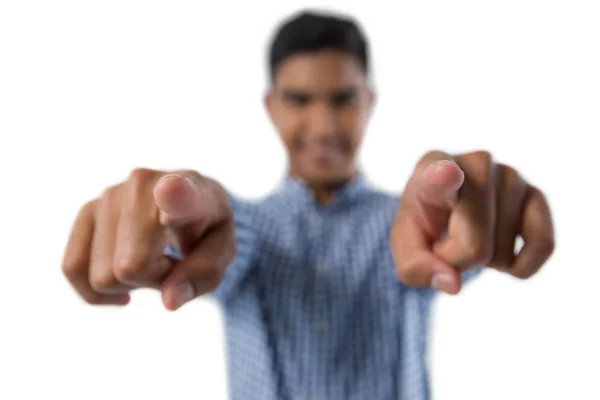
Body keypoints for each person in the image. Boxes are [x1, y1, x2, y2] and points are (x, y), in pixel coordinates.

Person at [61, 10, 555, 400]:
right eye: (299, 100)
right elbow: (228, 237)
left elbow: (446, 240)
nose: (322, 127)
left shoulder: (409, 227)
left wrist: (469, 204)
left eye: (342, 99)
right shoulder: (248, 230)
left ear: (369, 102)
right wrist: (175, 221)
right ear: (271, 107)